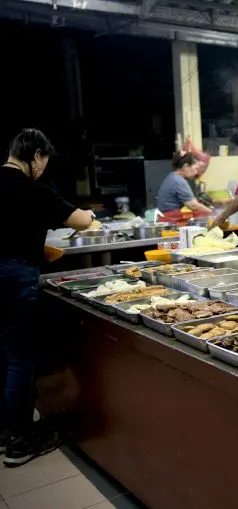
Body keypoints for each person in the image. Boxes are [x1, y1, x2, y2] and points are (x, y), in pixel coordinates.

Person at [0, 129, 95, 467]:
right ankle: (20, 439)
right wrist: (90, 215)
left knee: (3, 351)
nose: (42, 168)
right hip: (14, 278)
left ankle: (7, 428)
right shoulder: (32, 189)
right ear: (35, 155)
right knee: (20, 357)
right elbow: (80, 221)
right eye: (44, 161)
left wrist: (35, 247)